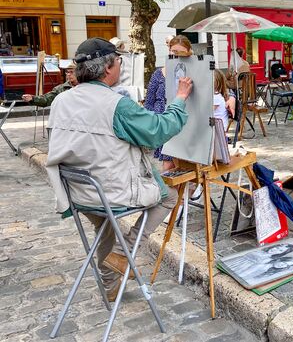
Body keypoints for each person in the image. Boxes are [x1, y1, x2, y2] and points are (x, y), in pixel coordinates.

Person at [46, 37, 192, 302]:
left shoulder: (61, 101)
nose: (120, 67)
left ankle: (110, 283)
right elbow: (159, 131)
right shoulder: (116, 104)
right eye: (118, 62)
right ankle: (123, 255)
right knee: (170, 196)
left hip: (78, 192)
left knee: (104, 225)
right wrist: (180, 98)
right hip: (110, 192)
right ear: (108, 68)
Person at [144, 35, 192, 171]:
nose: (176, 54)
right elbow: (149, 103)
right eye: (173, 51)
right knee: (168, 165)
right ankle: (173, 192)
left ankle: (189, 191)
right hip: (164, 124)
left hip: (186, 124)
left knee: (187, 168)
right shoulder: (159, 74)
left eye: (181, 52)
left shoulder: (194, 71)